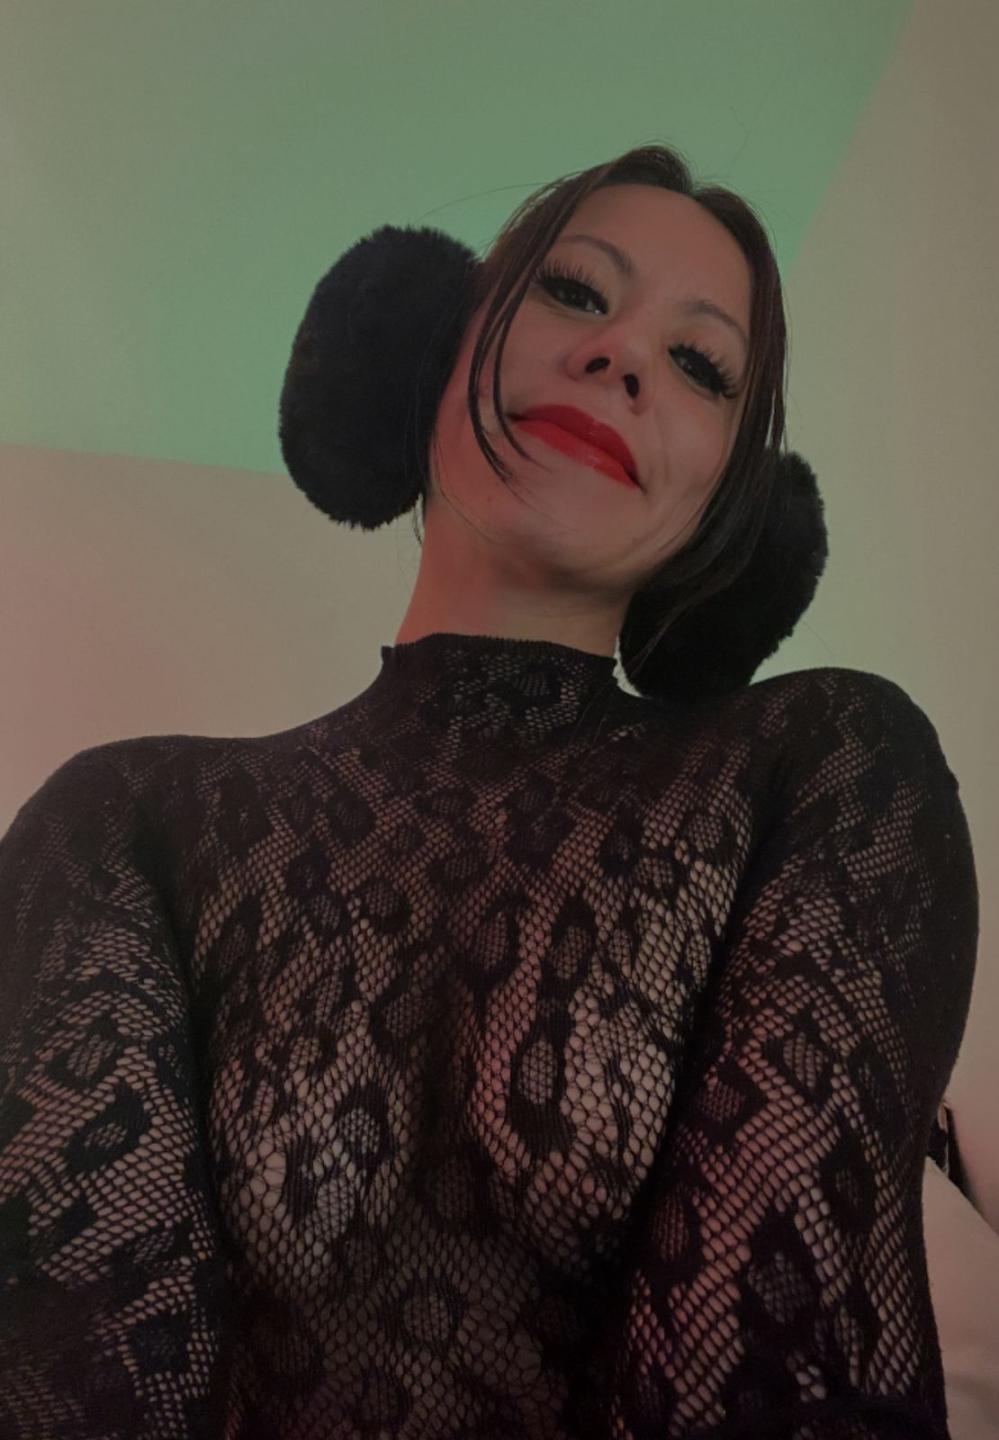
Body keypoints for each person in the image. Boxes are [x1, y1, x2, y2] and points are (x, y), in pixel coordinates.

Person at [0, 144, 979, 1438]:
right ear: (428, 350)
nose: (623, 356)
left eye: (700, 364)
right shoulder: (121, 819)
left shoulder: (826, 763)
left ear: (729, 505)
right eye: (576, 291)